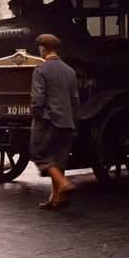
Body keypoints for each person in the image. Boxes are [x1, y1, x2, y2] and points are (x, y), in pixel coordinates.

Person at [29, 34, 80, 210]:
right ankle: (57, 198)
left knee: (39, 155)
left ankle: (63, 184)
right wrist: (74, 122)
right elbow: (75, 100)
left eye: (40, 47)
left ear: (43, 48)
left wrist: (38, 116)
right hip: (67, 122)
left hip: (49, 122)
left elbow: (37, 99)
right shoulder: (70, 71)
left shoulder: (40, 70)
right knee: (59, 160)